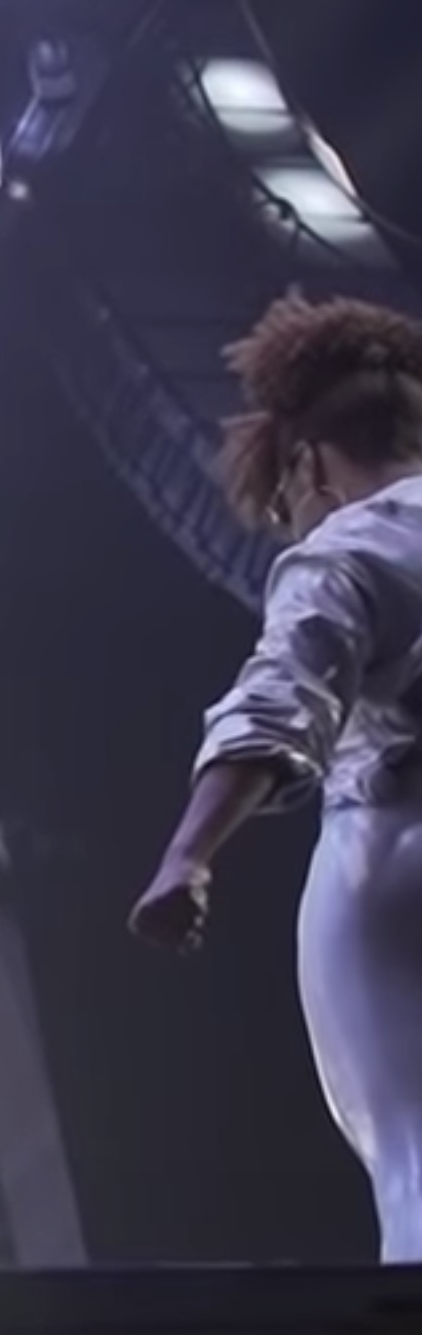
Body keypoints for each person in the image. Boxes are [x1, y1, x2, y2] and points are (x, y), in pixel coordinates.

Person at [133, 289, 422, 1259]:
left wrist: (187, 855)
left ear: (308, 466)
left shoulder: (346, 545)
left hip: (394, 855)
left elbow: (280, 696)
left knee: (413, 1156)